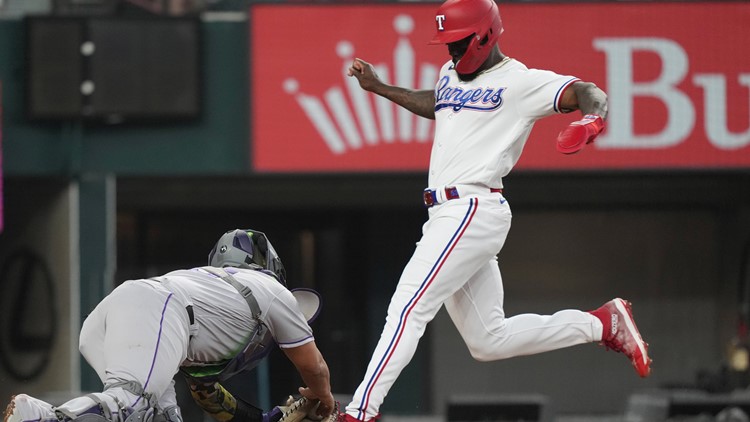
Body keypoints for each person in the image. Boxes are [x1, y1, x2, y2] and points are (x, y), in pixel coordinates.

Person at [340, 0, 652, 420]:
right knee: (488, 339)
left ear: (485, 35)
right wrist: (380, 88)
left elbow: (588, 91)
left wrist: (591, 122)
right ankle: (601, 324)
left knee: (408, 307)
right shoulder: (450, 73)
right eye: (446, 42)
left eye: (458, 41)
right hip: (449, 213)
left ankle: (360, 411)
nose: (450, 51)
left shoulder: (518, 82)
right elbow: (440, 104)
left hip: (471, 207)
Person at [4, 229, 335, 422]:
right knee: (131, 402)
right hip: (160, 309)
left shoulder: (217, 299)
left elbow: (209, 399)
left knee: (154, 417)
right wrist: (323, 399)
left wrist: (268, 418)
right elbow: (313, 365)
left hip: (116, 315)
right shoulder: (274, 292)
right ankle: (42, 416)